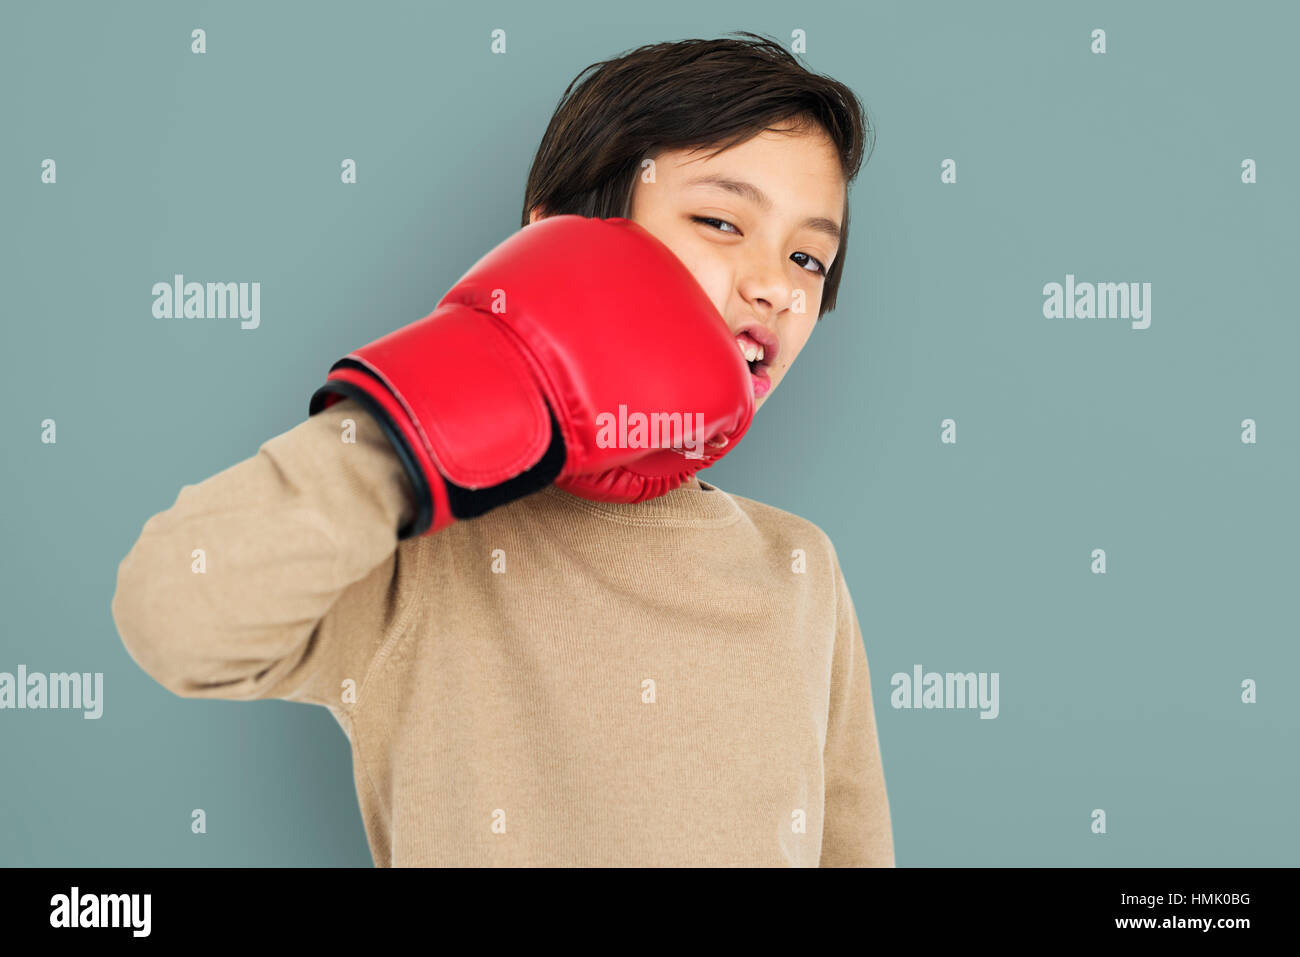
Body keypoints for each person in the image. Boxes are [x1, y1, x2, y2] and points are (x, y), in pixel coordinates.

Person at [111, 32, 894, 867]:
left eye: (810, 257)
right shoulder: (428, 553)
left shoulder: (800, 569)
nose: (774, 284)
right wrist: (421, 427)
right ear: (563, 242)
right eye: (718, 220)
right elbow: (173, 612)